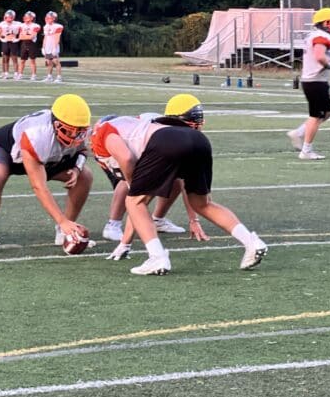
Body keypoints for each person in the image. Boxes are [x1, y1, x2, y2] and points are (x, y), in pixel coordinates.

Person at [104, 93, 266, 274]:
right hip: (200, 142)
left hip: (165, 141)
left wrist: (125, 242)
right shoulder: (149, 124)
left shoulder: (108, 131)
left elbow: (133, 186)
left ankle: (157, 257)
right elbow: (181, 183)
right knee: (203, 204)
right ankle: (251, 242)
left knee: (134, 201)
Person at [0, 93, 94, 254]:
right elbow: (39, 186)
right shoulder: (37, 134)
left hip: (44, 157)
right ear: (56, 124)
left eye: (79, 131)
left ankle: (66, 232)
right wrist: (61, 220)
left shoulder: (82, 131)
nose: (75, 136)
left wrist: (77, 168)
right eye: (69, 131)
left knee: (85, 176)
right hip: (7, 150)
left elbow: (82, 150)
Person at [90, 112, 209, 258]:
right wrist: (133, 184)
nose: (194, 129)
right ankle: (114, 224)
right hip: (127, 151)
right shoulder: (151, 124)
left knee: (167, 185)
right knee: (131, 190)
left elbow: (187, 182)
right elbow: (126, 159)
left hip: (146, 153)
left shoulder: (174, 136)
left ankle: (156, 226)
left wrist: (193, 219)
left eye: (197, 125)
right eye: (191, 125)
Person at [286, 7, 330, 160]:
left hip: (317, 80)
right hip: (315, 81)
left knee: (327, 112)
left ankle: (298, 133)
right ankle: (306, 150)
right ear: (325, 23)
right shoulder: (321, 37)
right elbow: (319, 56)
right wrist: (328, 64)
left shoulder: (317, 35)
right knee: (316, 116)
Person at [0, 9, 21, 79]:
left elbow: (22, 32)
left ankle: (16, 73)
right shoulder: (2, 24)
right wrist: (1, 39)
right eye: (8, 17)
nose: (9, 18)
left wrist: (18, 39)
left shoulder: (18, 24)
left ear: (13, 17)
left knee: (14, 59)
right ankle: (6, 73)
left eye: (11, 17)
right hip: (5, 42)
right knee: (5, 58)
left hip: (13, 42)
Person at [18, 11, 41, 81]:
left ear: (32, 18)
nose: (25, 17)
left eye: (27, 16)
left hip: (32, 44)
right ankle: (20, 74)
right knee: (22, 60)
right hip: (24, 44)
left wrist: (25, 36)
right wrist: (27, 37)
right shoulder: (22, 25)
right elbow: (20, 37)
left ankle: (33, 75)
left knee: (32, 60)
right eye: (25, 16)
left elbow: (32, 37)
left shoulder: (36, 26)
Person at [42, 11, 64, 83]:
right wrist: (43, 47)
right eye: (47, 17)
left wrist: (54, 48)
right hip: (47, 46)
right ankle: (49, 76)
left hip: (53, 46)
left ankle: (59, 77)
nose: (47, 19)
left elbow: (57, 37)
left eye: (49, 17)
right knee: (49, 62)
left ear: (54, 18)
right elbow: (45, 37)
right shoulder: (46, 26)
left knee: (56, 61)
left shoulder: (57, 26)